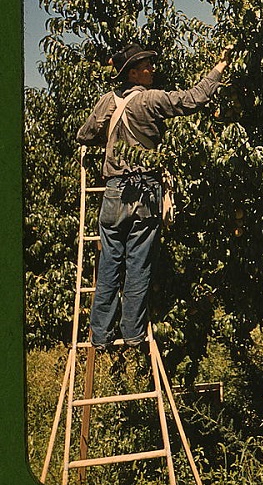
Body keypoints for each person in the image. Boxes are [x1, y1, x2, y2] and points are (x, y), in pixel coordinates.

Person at [76, 42, 232, 350]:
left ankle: (100, 335)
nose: (152, 70)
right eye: (147, 66)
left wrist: (111, 143)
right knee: (138, 264)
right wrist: (221, 66)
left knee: (109, 262)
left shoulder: (107, 101)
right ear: (132, 73)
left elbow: (84, 135)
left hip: (114, 190)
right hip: (145, 189)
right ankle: (133, 334)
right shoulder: (151, 99)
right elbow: (193, 99)